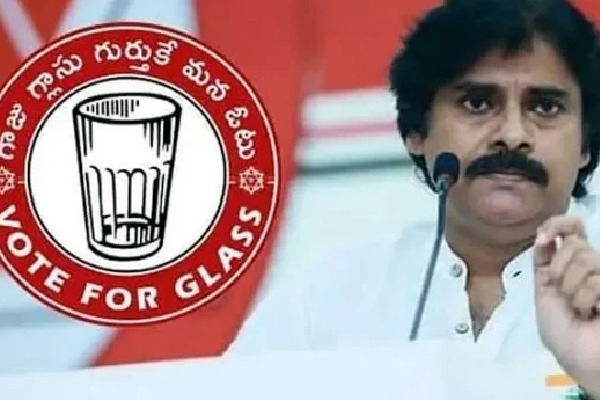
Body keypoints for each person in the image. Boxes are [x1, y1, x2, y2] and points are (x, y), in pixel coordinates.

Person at [228, 0, 600, 396]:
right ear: (416, 132)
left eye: (545, 107)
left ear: (585, 143)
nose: (512, 135)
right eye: (478, 104)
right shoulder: (327, 299)